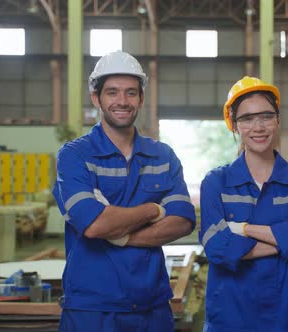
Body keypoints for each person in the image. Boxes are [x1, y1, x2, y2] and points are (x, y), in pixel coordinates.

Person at [52, 50, 196, 332]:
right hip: (92, 307)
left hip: (152, 306)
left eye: (131, 93)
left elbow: (182, 220)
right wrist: (153, 210)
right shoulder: (75, 155)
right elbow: (94, 225)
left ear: (141, 99)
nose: (122, 101)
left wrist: (118, 234)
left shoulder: (162, 155)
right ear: (97, 98)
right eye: (113, 92)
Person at [199, 76, 288, 332]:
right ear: (234, 126)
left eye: (266, 116)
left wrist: (242, 229)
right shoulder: (216, 183)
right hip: (231, 318)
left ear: (277, 120)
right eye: (246, 118)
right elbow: (217, 249)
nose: (258, 126)